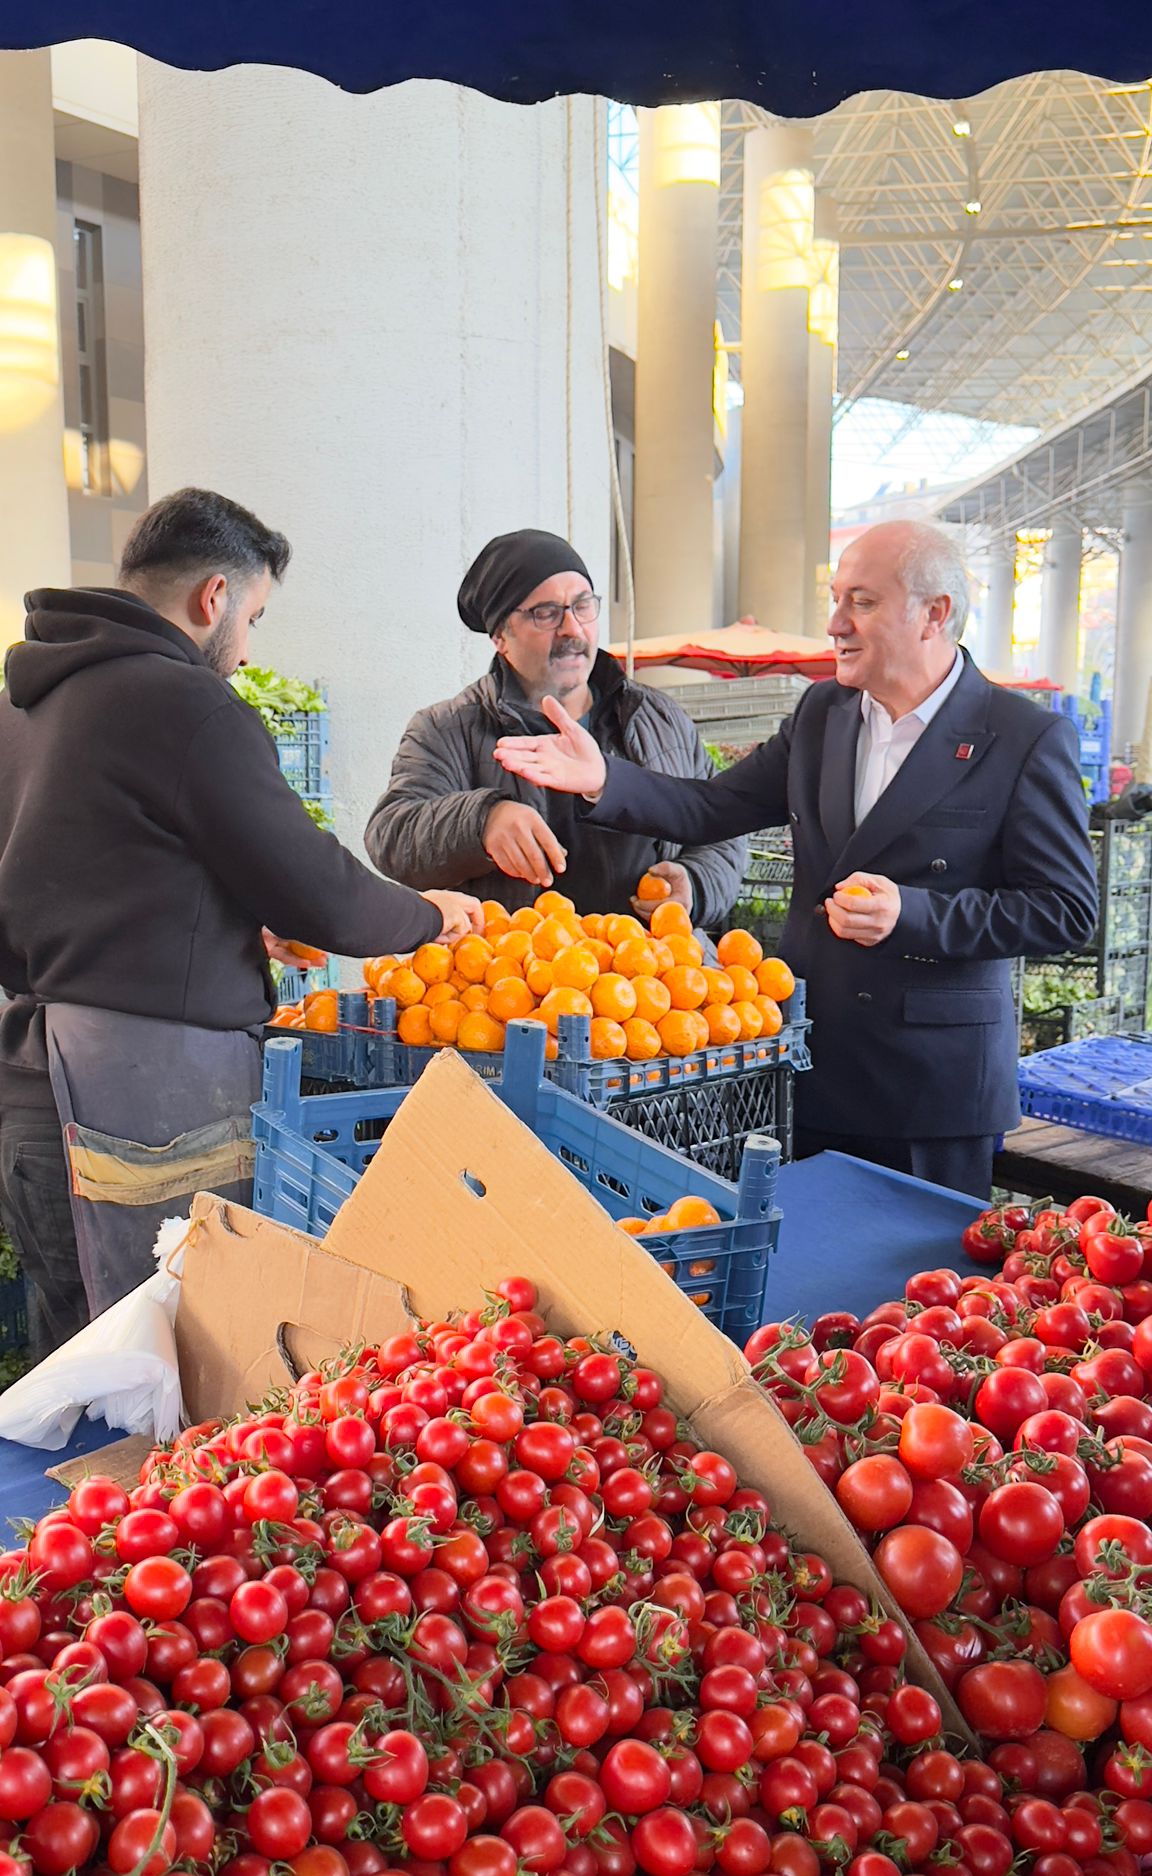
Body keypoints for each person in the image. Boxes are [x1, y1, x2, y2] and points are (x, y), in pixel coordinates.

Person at [0, 486, 482, 1350]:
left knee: (69, 1371)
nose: (247, 647)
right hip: (145, 1110)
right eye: (253, 617)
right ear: (213, 596)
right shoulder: (184, 702)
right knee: (173, 1361)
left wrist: (212, 924)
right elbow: (318, 890)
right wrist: (427, 913)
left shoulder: (21, 710)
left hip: (32, 1095)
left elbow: (86, 879)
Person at [494, 520, 1099, 1198]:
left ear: (935, 614)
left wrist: (912, 913)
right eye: (836, 600)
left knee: (923, 1266)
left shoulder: (1023, 737)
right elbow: (713, 807)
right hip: (811, 1066)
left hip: (932, 1094)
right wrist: (604, 778)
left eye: (861, 602)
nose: (835, 623)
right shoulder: (823, 712)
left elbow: (1065, 910)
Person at [365, 529, 746, 925]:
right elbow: (392, 835)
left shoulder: (658, 717)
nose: (572, 629)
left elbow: (721, 829)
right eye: (545, 613)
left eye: (582, 606)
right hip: (513, 962)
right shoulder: (448, 729)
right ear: (500, 637)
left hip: (651, 963)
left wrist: (694, 884)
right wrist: (481, 821)